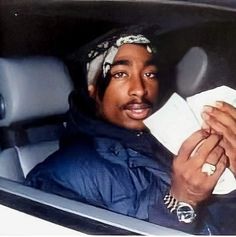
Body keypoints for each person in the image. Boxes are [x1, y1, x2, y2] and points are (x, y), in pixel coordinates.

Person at [25, 30, 236, 234]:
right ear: (93, 89)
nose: (140, 89)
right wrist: (181, 202)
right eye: (120, 74)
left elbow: (219, 223)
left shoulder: (169, 141)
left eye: (149, 74)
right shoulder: (57, 176)